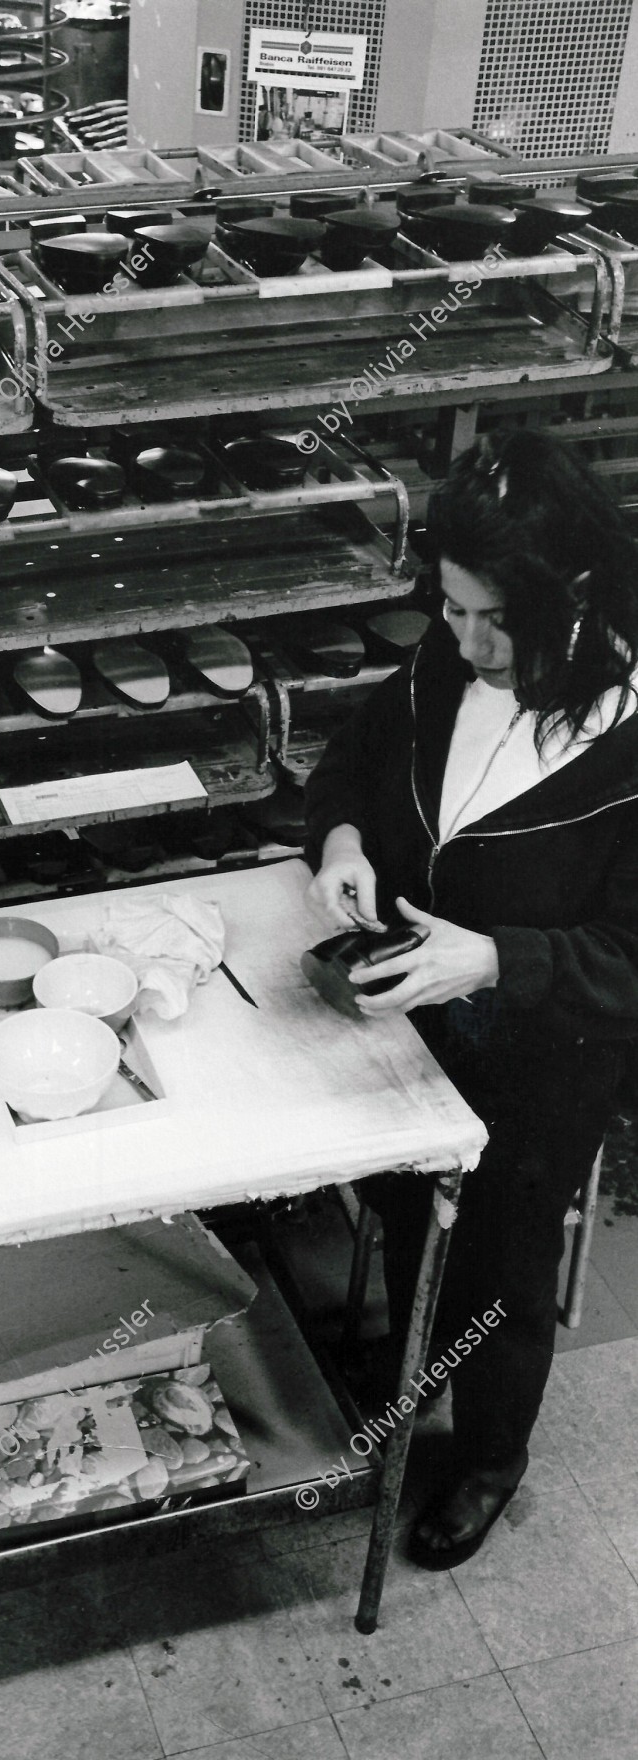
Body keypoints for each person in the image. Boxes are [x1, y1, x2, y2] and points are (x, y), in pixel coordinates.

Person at [304, 428, 638, 1568]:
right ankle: (418, 1365)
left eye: (495, 619)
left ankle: (490, 1457)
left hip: (546, 1062)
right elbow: (353, 755)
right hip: (419, 1024)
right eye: (451, 609)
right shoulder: (446, 658)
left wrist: (497, 959)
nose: (468, 641)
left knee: (502, 1252)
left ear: (575, 595)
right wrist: (341, 835)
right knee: (409, 1208)